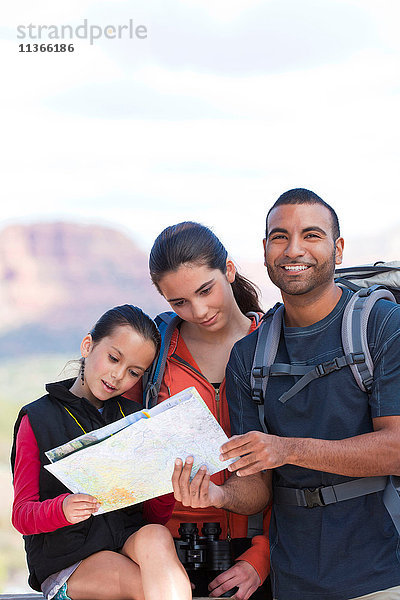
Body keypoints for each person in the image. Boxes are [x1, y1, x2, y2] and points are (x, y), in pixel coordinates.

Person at [171, 189, 400, 600]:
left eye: (311, 235)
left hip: (384, 572)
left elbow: (397, 447)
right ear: (264, 251)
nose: (293, 249)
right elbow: (257, 487)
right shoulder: (248, 356)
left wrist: (287, 449)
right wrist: (218, 494)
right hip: (292, 580)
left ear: (338, 249)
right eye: (279, 237)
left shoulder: (383, 325)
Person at [125, 222, 272, 600]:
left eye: (206, 290)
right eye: (180, 303)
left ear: (230, 270)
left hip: (260, 553)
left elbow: (301, 471)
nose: (200, 310)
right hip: (167, 559)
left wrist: (263, 555)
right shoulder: (155, 357)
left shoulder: (278, 345)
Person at [11, 304, 192, 600]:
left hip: (125, 543)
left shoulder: (137, 420)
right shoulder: (38, 419)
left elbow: (153, 518)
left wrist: (165, 486)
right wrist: (63, 509)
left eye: (134, 372)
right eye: (113, 358)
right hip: (70, 561)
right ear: (87, 345)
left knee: (157, 536)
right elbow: (21, 514)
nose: (118, 375)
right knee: (150, 586)